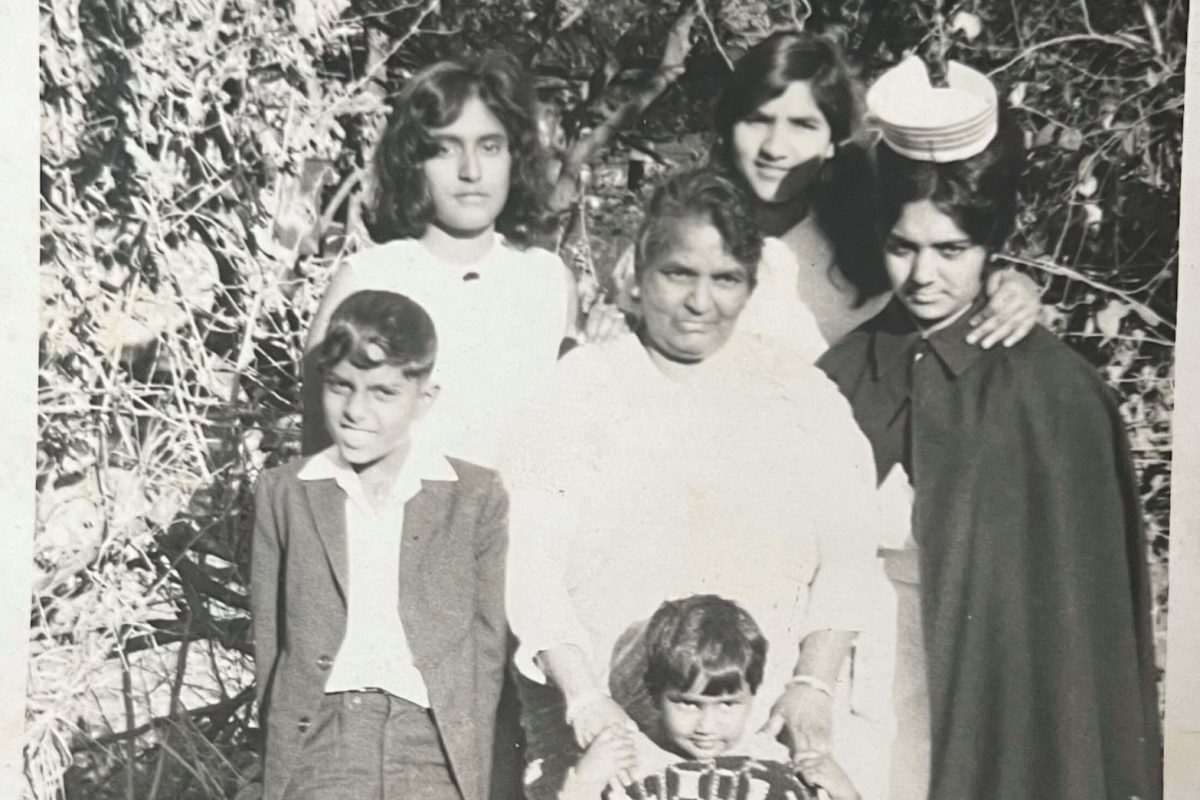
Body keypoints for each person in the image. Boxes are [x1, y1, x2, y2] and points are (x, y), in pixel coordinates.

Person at [818, 57, 1163, 800]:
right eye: (903, 248)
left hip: (992, 716)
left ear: (991, 245)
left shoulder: (1055, 394)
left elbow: (1078, 649)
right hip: (852, 698)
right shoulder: (841, 374)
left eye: (952, 250)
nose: (924, 277)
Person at [502, 167, 898, 800]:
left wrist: (814, 686)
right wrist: (584, 701)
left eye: (725, 280)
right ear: (638, 270)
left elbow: (850, 556)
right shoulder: (576, 394)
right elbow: (530, 566)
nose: (699, 302)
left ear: (750, 285)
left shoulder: (799, 396)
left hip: (759, 738)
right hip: (610, 742)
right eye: (678, 274)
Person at [301, 52, 619, 469]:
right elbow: (317, 463)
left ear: (514, 157)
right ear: (414, 161)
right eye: (446, 149)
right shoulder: (367, 279)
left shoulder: (548, 280)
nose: (471, 171)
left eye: (490, 147)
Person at [251, 290, 509, 800]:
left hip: (433, 745)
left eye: (383, 393)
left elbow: (486, 653)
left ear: (424, 397)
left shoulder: (474, 498)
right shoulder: (285, 492)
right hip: (322, 741)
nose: (355, 411)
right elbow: (270, 646)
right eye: (340, 387)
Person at [552, 595, 860, 800]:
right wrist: (586, 782)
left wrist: (844, 793)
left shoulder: (776, 760)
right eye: (688, 703)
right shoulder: (630, 760)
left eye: (727, 704)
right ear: (656, 693)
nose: (707, 726)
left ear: (753, 693)